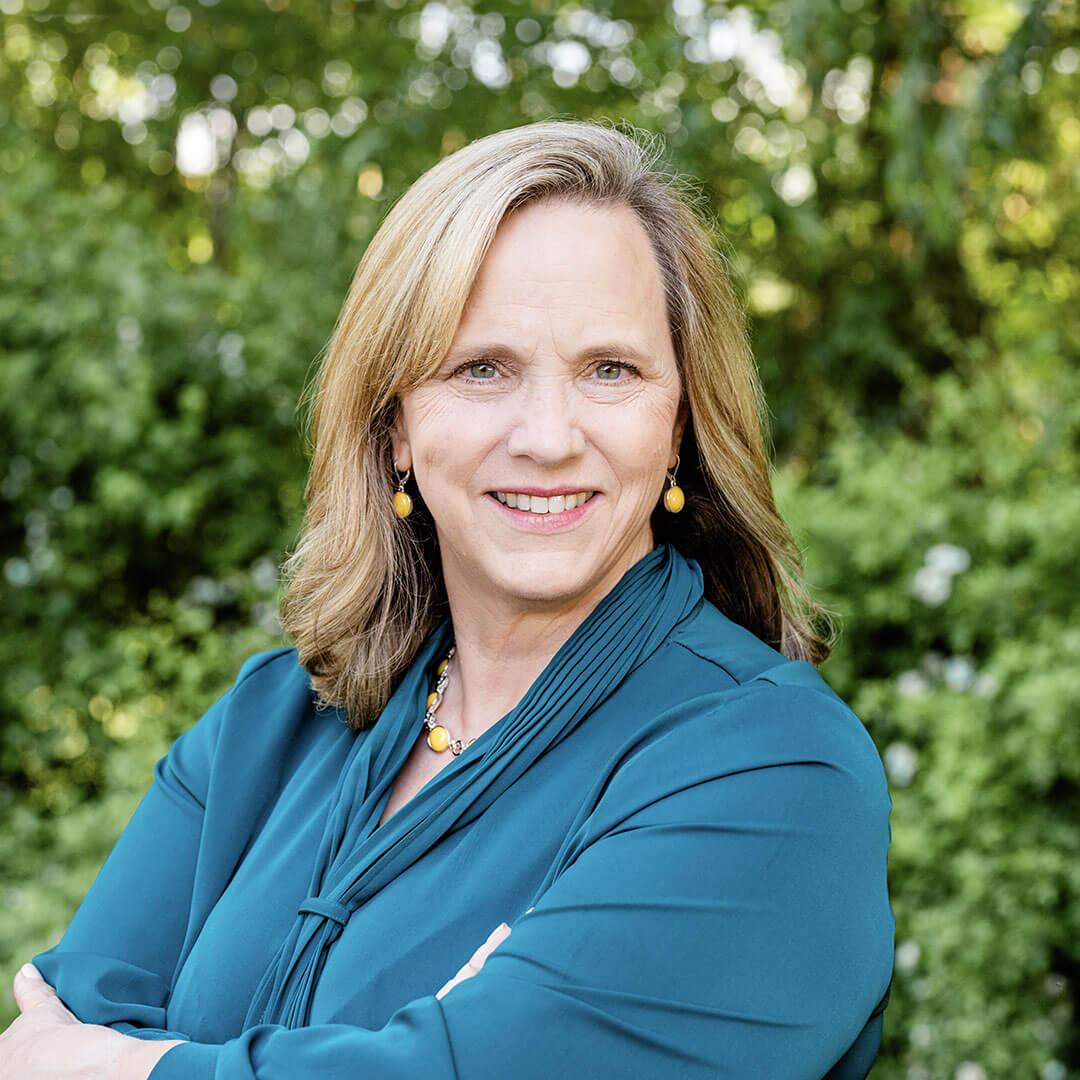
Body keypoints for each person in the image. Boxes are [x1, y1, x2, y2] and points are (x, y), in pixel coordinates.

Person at [6, 118, 894, 1078]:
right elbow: (47, 1030)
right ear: (394, 424)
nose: (548, 436)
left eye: (611, 370)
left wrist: (130, 1065)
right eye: (482, 369)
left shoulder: (772, 774)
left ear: (678, 423)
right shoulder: (266, 728)